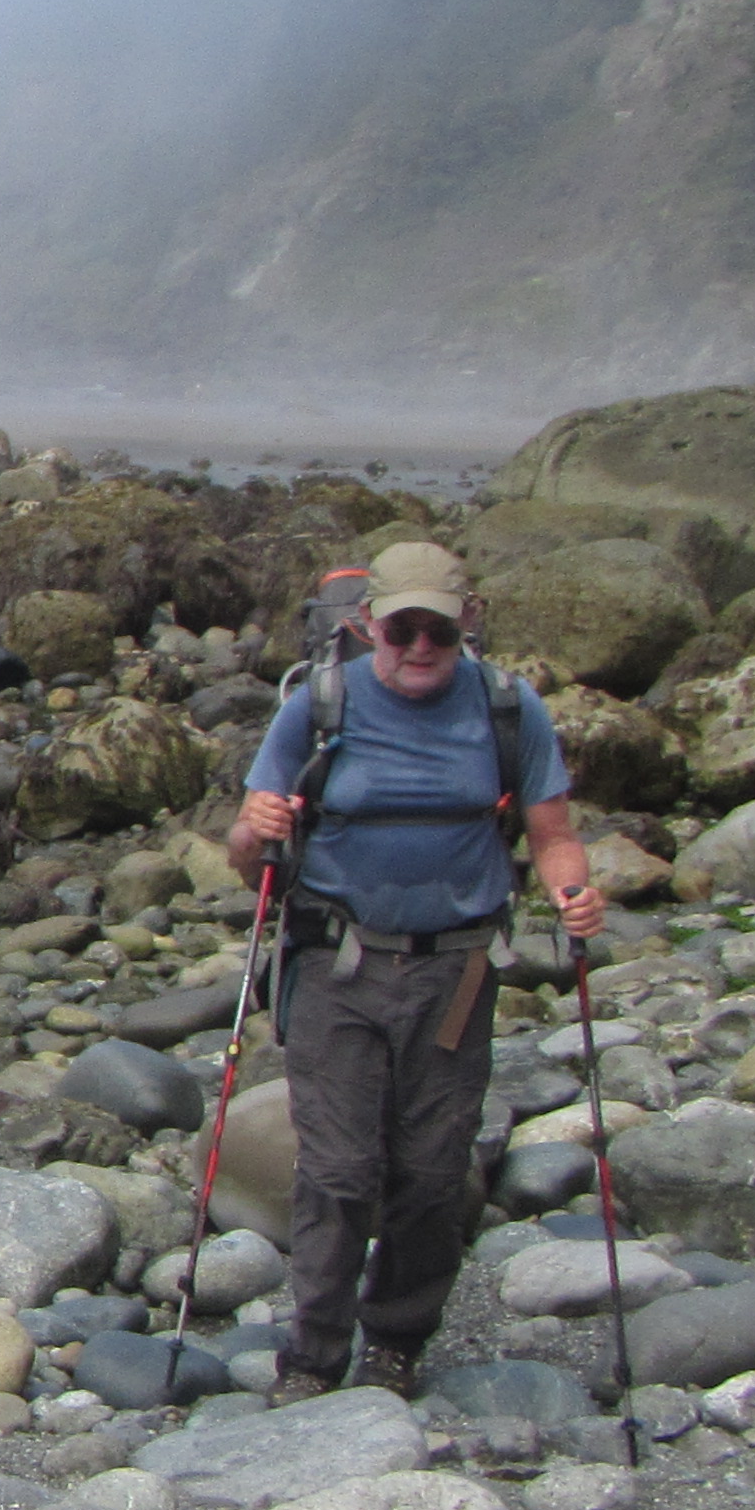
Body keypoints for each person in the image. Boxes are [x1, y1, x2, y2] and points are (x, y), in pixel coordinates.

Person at [228, 540, 604, 1401]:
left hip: (457, 974)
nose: (421, 647)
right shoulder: (319, 704)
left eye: (439, 629)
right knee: (338, 1172)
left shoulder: (508, 706)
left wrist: (574, 894)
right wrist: (253, 832)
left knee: (434, 1173)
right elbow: (250, 861)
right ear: (369, 625)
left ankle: (396, 1341)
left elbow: (552, 836)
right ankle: (313, 1358)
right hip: (336, 966)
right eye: (403, 630)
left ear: (468, 621)